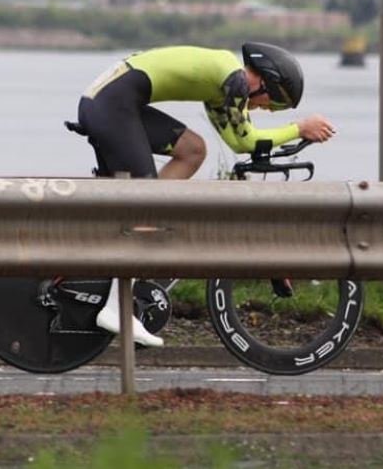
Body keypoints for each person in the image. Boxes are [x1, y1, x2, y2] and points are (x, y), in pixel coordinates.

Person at [75, 42, 336, 346]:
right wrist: (299, 128)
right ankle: (116, 307)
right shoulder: (234, 80)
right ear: (266, 81)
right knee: (147, 210)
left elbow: (239, 144)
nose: (267, 108)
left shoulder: (223, 85)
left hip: (112, 101)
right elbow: (249, 139)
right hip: (112, 105)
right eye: (274, 102)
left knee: (192, 150)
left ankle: (140, 231)